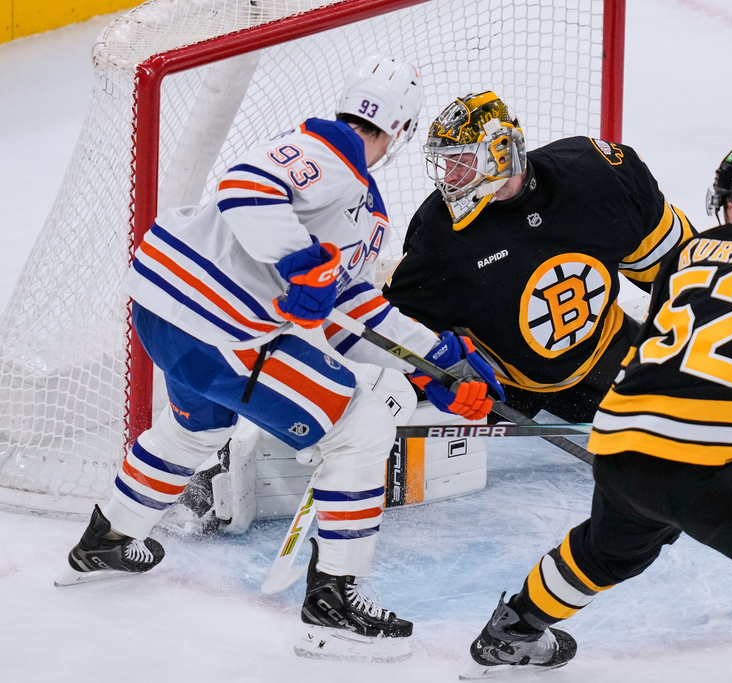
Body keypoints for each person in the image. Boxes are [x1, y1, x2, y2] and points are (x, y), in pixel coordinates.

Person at [56, 55, 503, 660]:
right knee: (362, 429)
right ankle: (334, 607)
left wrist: (436, 363)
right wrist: (300, 260)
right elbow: (245, 188)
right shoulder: (328, 153)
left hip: (167, 314)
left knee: (196, 429)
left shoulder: (361, 206)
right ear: (400, 129)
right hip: (220, 330)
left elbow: (351, 312)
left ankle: (107, 539)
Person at [466, 145, 732, 682]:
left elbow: (669, 355)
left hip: (621, 442)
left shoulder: (689, 254)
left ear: (729, 205)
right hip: (714, 464)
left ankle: (513, 630)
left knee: (611, 549)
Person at [382, 91, 695, 426]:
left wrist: (699, 318)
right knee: (384, 393)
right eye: (445, 163)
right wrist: (431, 371)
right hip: (500, 385)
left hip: (602, 352)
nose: (448, 177)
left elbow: (683, 266)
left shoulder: (597, 177)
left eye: (460, 162)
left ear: (500, 153)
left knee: (696, 407)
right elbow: (393, 324)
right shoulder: (438, 233)